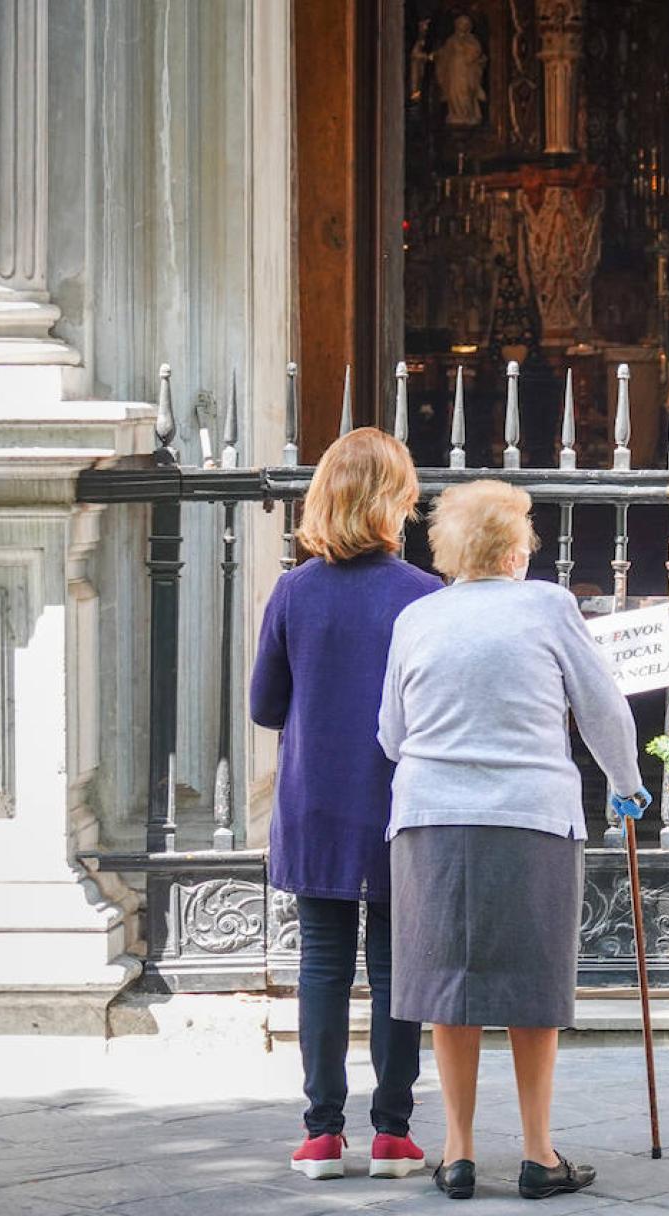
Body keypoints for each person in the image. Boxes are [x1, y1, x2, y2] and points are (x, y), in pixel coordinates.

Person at [380, 479, 650, 1201]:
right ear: (514, 548)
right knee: (533, 989)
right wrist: (625, 782)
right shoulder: (548, 606)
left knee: (449, 988)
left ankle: (459, 1152)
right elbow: (603, 707)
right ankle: (537, 1154)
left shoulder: (417, 617)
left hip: (431, 818)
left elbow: (392, 735)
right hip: (530, 815)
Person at [249, 427, 441, 1181]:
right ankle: (394, 1131)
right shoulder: (424, 595)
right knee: (397, 965)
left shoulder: (296, 591)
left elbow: (267, 704)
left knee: (322, 963)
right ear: (397, 502)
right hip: (397, 797)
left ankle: (321, 1133)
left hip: (317, 799)